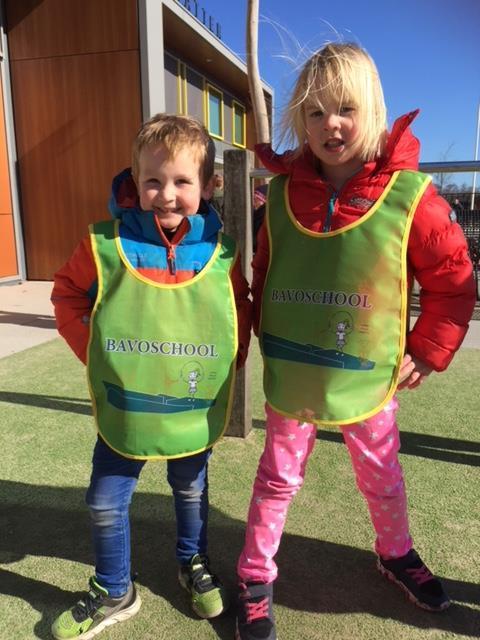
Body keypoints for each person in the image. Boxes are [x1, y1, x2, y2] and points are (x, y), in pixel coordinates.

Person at [235, 43, 475, 640]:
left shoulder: (411, 199)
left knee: (382, 474)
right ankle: (255, 577)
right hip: (294, 374)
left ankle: (395, 554)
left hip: (370, 377)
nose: (330, 124)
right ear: (299, 120)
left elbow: (453, 280)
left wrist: (427, 348)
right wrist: (252, 332)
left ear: (372, 110)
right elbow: (267, 274)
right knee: (276, 477)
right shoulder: (283, 197)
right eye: (315, 113)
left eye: (344, 108)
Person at [50, 113, 251, 640]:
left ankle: (193, 561)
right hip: (127, 409)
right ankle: (115, 587)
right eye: (153, 180)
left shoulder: (220, 253)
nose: (166, 194)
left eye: (182, 181)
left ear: (208, 186)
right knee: (104, 499)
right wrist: (97, 354)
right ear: (134, 182)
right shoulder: (104, 244)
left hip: (187, 408)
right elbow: (68, 295)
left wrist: (227, 364)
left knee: (190, 489)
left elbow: (238, 312)